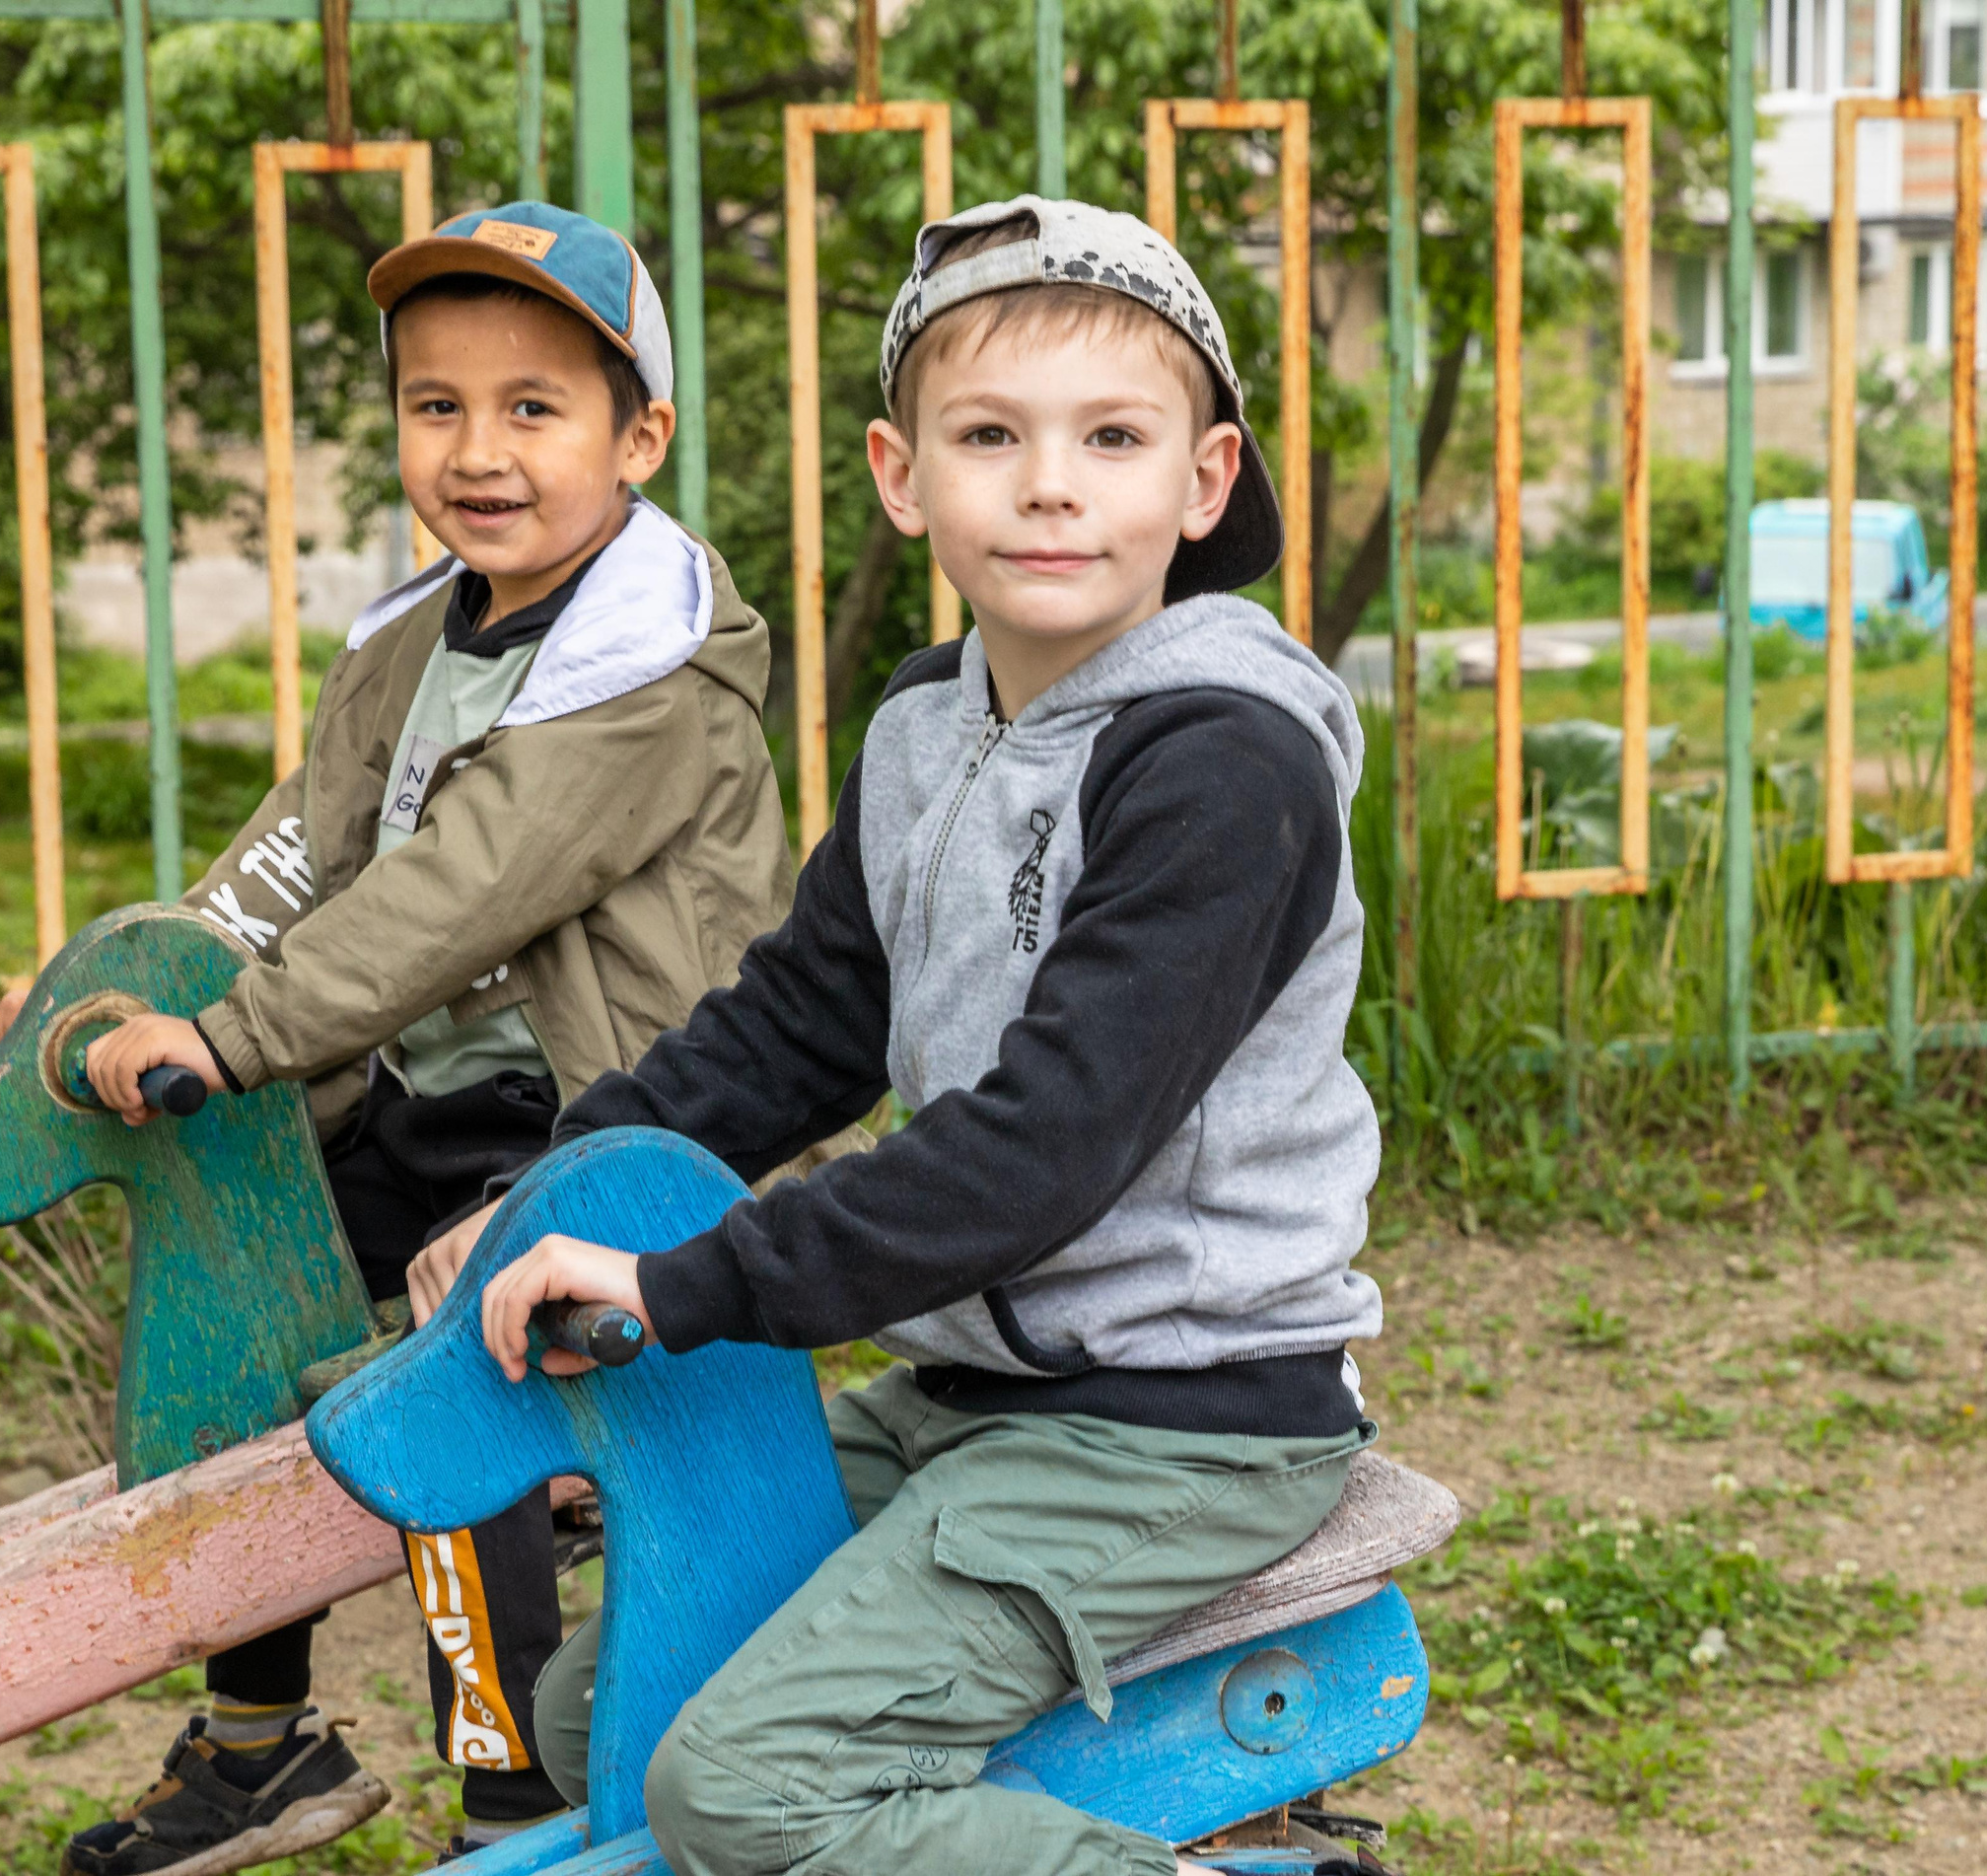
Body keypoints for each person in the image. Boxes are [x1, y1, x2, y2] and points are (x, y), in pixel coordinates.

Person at [416, 196, 1384, 1876]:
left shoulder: (1228, 763)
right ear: (900, 472)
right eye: (990, 435)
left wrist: (686, 1280)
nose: (1051, 483)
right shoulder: (935, 725)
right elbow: (798, 1025)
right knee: (599, 1715)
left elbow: (1040, 1151)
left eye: (1113, 437)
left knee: (743, 1787)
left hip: (1181, 1419)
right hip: (977, 1393)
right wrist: (552, 1192)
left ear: (1205, 478)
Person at [0, 201, 796, 1876]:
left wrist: (238, 1031)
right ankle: (258, 1740)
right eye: (438, 404)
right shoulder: (417, 638)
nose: (478, 450)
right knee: (242, 1286)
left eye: (532, 408)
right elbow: (304, 846)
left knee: (460, 1340)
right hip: (430, 1099)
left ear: (640, 437)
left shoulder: (650, 668)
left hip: (608, 1116)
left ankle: (517, 1797)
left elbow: (455, 891)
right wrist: (144, 985)